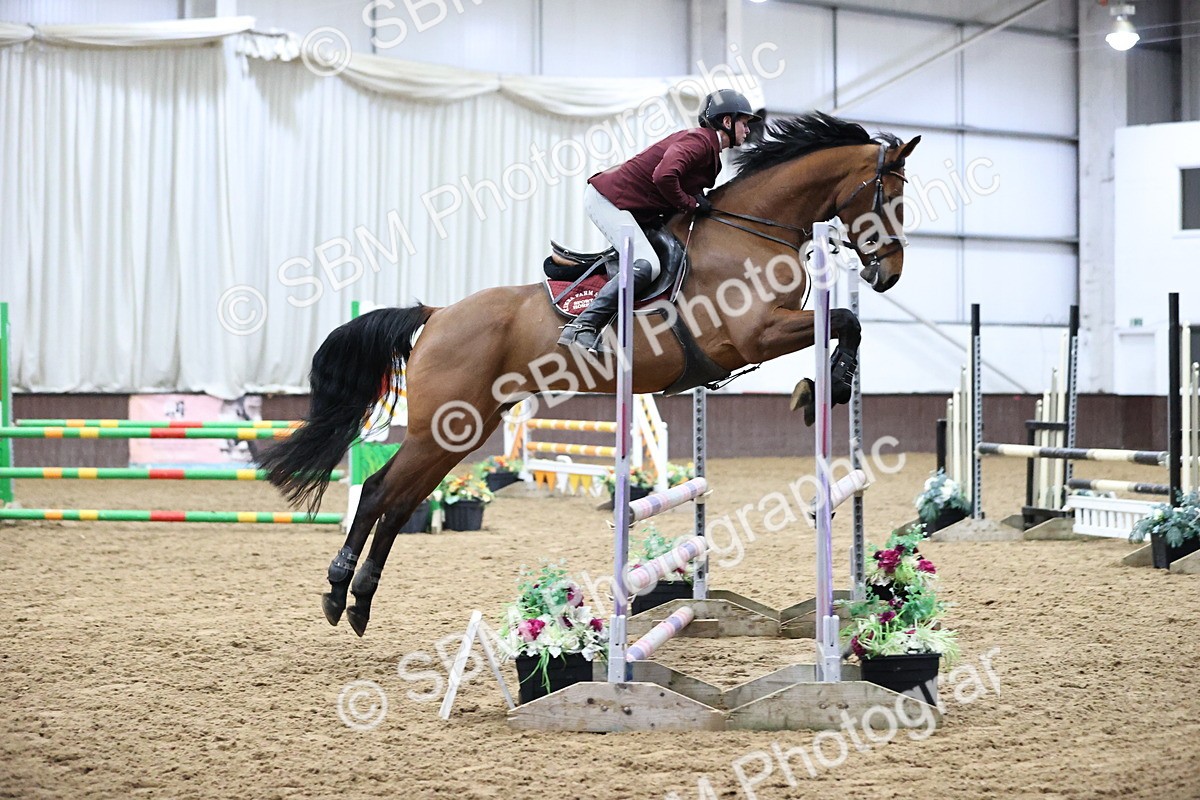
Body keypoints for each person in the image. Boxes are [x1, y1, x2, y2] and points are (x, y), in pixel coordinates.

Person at [556, 89, 761, 353]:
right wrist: (690, 203)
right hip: (607, 200)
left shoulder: (710, 153)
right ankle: (583, 326)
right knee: (648, 264)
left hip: (635, 210)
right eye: (744, 123)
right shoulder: (699, 141)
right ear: (727, 122)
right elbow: (664, 176)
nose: (748, 130)